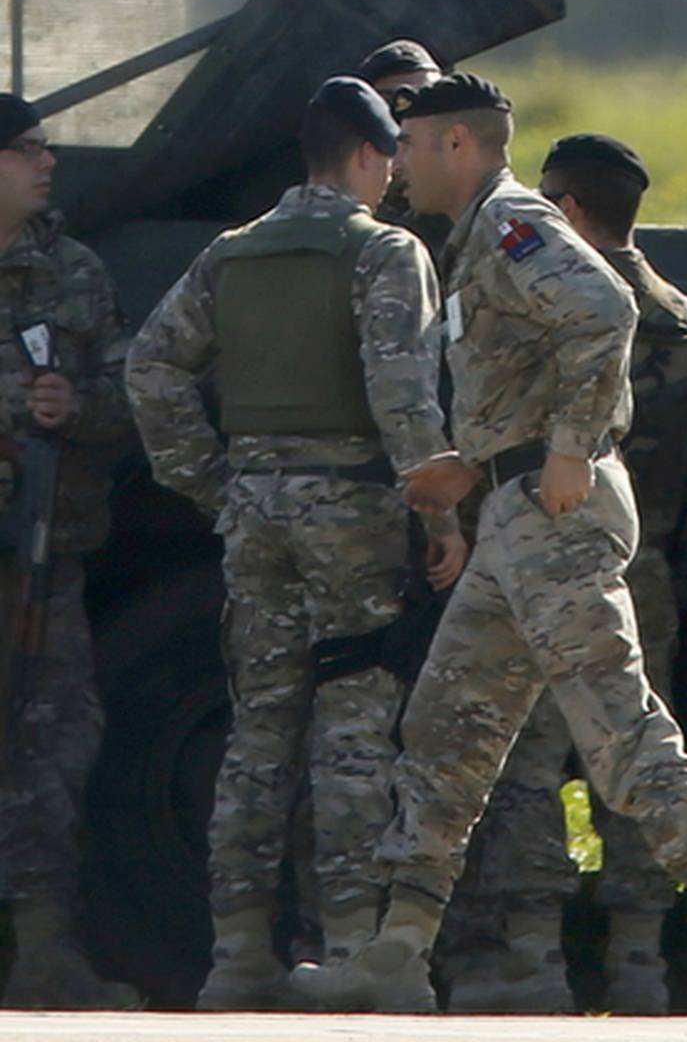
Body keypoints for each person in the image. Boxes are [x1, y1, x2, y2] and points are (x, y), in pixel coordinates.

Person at [290, 72, 687, 1019]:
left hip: (554, 525)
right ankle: (398, 950)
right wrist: (478, 464)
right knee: (446, 731)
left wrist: (573, 448)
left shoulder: (513, 226)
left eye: (411, 146)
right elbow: (533, 373)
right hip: (514, 516)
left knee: (623, 739)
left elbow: (605, 308)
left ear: (457, 145)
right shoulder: (482, 239)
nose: (399, 167)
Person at [126, 76, 450, 1010]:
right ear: (362, 156)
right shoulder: (383, 251)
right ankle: (349, 945)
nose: (393, 174)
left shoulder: (233, 252)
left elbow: (151, 366)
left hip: (256, 515)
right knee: (353, 724)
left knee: (258, 730)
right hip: (351, 510)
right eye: (387, 156)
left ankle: (237, 956)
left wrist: (215, 484)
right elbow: (403, 394)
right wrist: (439, 515)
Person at [441, 129, 687, 1015]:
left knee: (527, 763)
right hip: (645, 570)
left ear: (565, 210)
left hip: (539, 557)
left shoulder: (535, 311)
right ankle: (640, 962)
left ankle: (536, 962)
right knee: (636, 752)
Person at [0, 92, 138, 1008]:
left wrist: (75, 409)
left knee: (51, 749)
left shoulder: (73, 272)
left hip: (39, 559)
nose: (48, 163)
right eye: (25, 150)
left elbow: (137, 387)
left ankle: (43, 955)